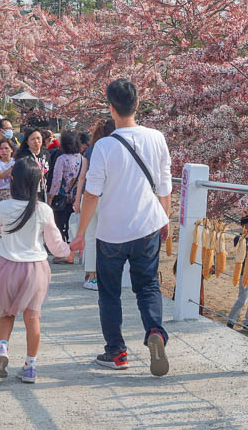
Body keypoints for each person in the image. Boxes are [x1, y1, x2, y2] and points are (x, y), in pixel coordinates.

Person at [71, 79, 171, 376]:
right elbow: (164, 184)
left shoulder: (104, 146)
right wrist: (164, 218)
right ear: (137, 104)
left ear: (111, 108)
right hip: (147, 226)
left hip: (112, 232)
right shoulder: (157, 137)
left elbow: (92, 194)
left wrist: (79, 234)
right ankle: (155, 331)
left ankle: (116, 351)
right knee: (148, 286)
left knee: (110, 292)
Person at [0, 158, 72, 384]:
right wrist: (69, 250)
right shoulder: (43, 210)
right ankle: (30, 367)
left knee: (7, 313)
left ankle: (3, 348)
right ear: (37, 182)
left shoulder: (3, 207)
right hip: (35, 269)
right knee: (33, 318)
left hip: (6, 266)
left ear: (13, 180)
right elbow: (55, 246)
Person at [74, 117, 115, 291]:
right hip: (109, 198)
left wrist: (77, 200)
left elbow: (82, 177)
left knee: (89, 237)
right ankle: (106, 275)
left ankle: (90, 276)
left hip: (89, 197)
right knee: (109, 238)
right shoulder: (116, 149)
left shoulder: (90, 150)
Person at [48, 130, 82, 264]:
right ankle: (72, 252)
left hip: (61, 197)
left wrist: (50, 197)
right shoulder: (81, 158)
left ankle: (63, 253)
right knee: (72, 226)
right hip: (75, 198)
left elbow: (56, 180)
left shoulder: (61, 159)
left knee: (59, 225)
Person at [226, 215, 248, 334]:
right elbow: (242, 253)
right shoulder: (238, 238)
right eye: (247, 226)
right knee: (242, 299)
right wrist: (247, 239)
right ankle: (231, 320)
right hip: (244, 274)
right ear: (242, 227)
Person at [16, 128, 49, 199]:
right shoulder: (23, 157)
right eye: (32, 139)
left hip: (43, 192)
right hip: (28, 193)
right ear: (27, 142)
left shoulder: (46, 154)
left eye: (38, 138)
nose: (36, 141)